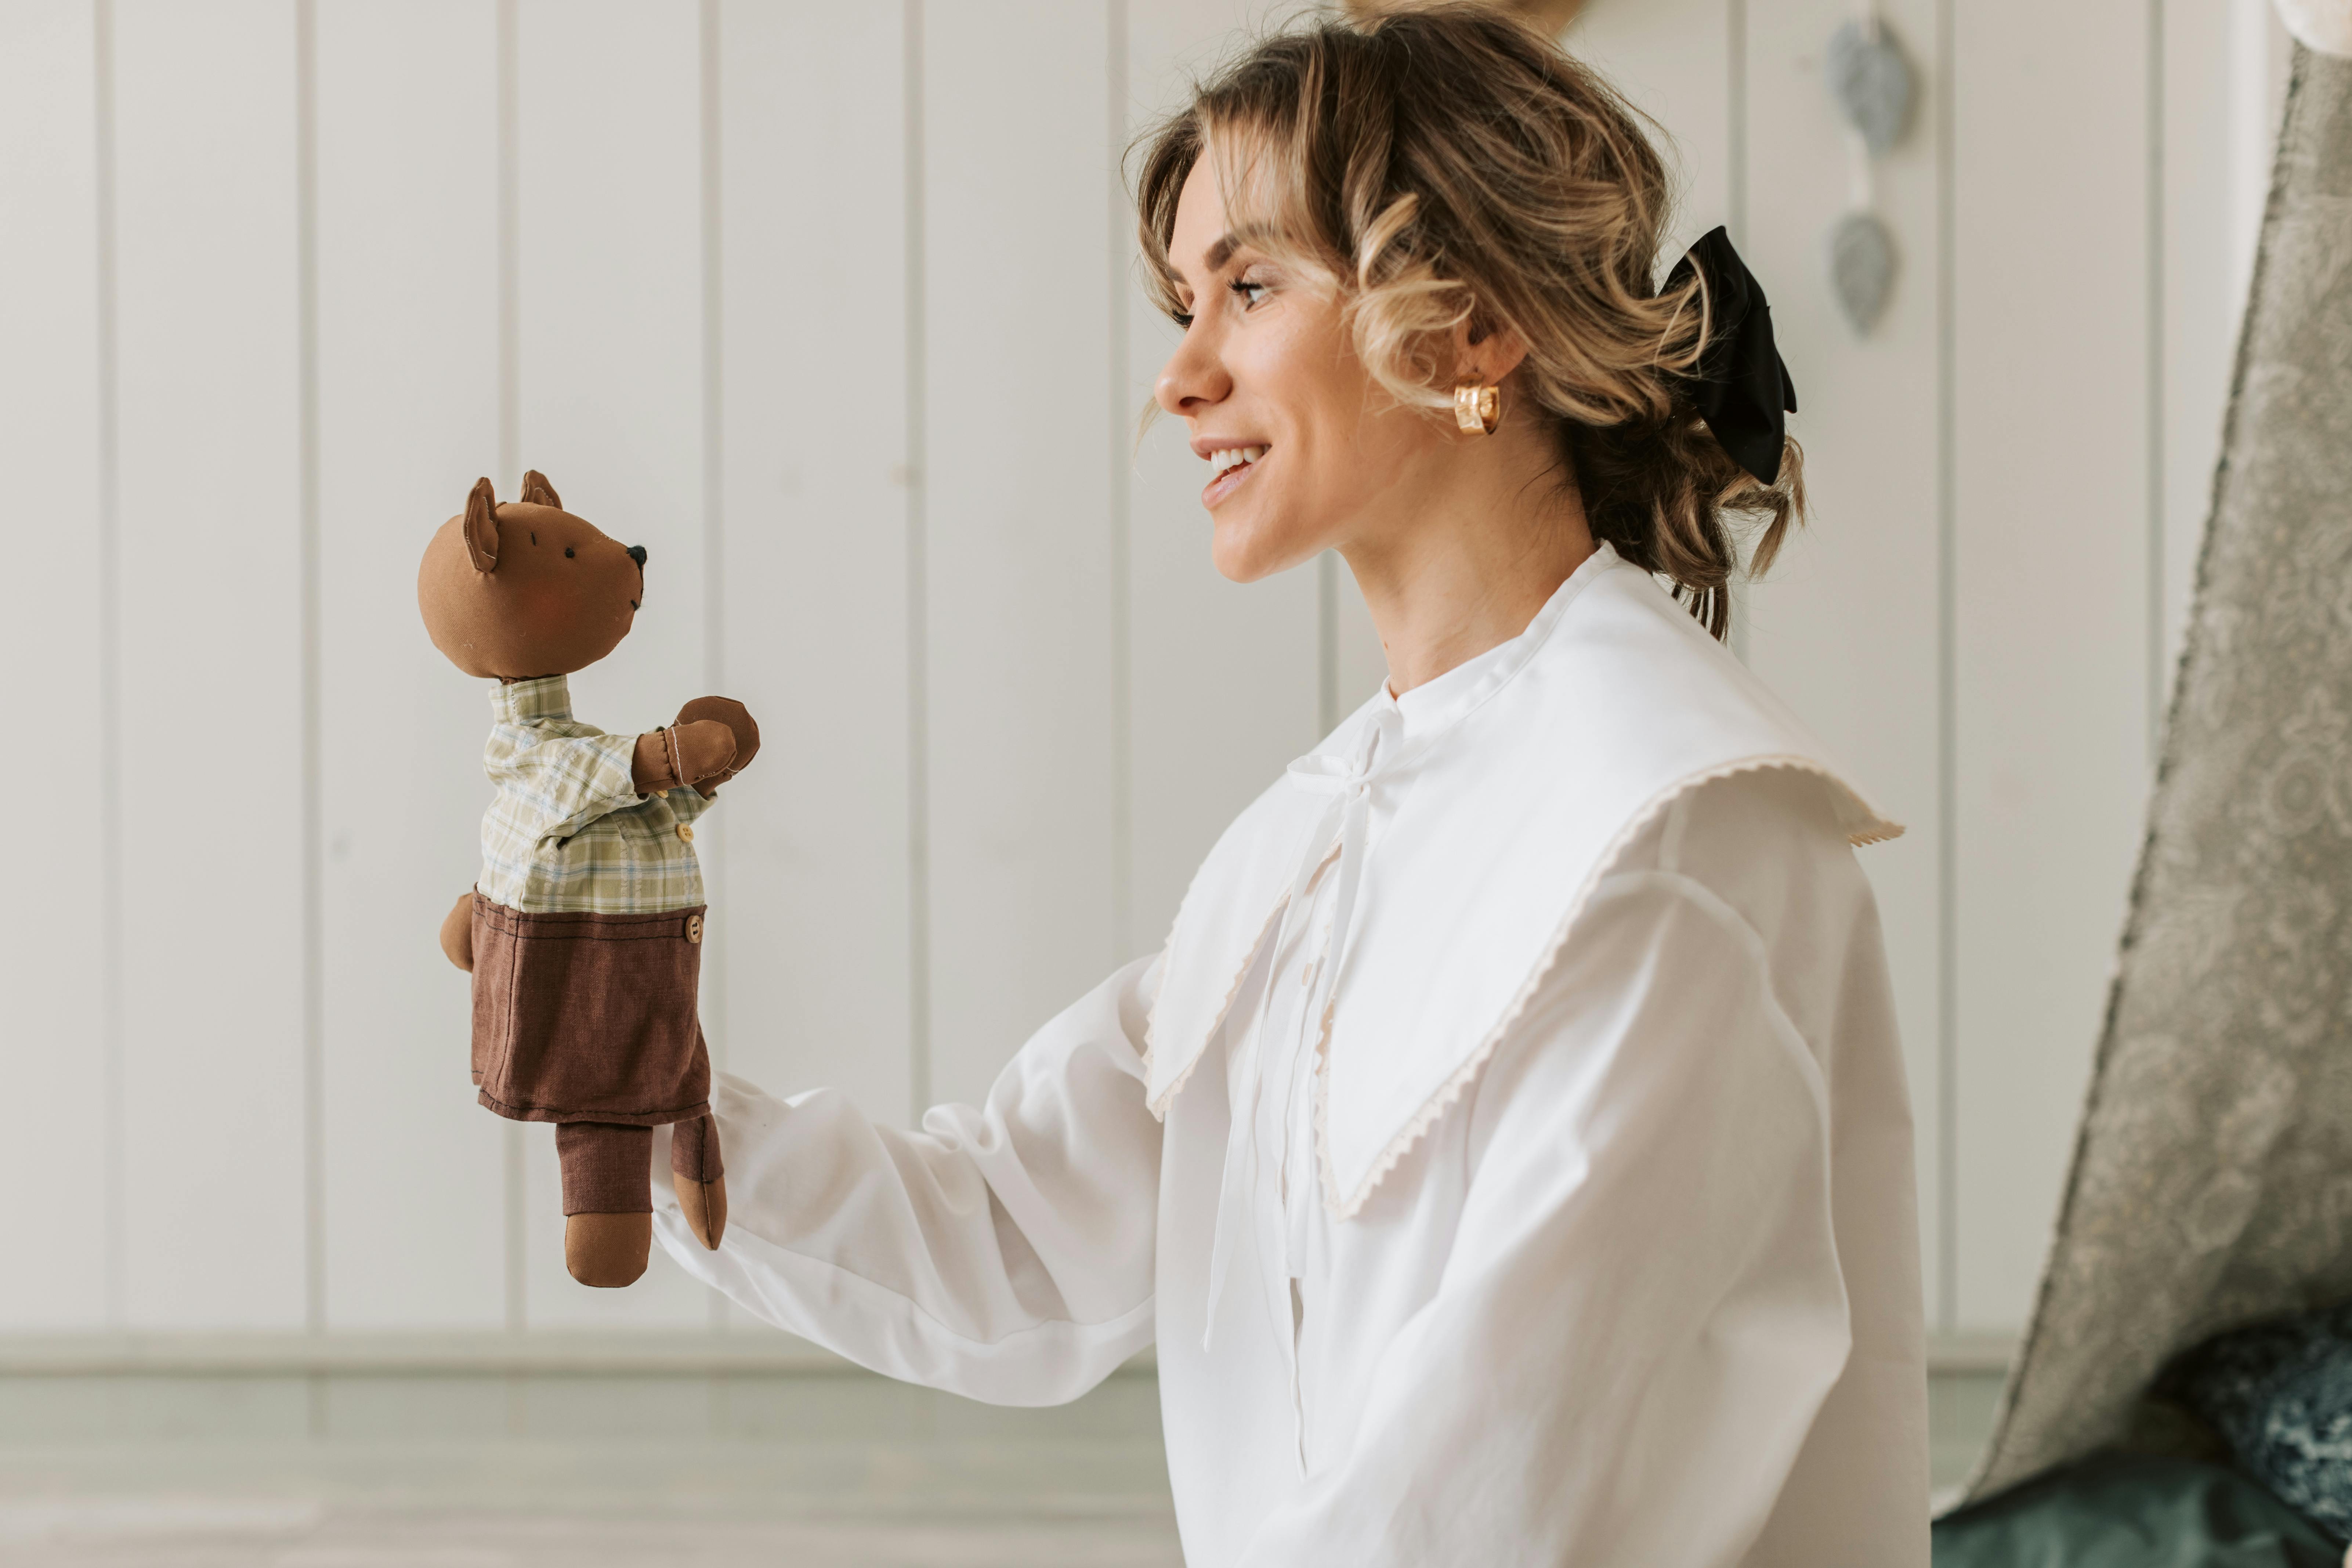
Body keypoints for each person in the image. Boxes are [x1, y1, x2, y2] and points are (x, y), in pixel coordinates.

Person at [649, 7, 1928, 1563]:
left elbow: (1486, 1501)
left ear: (1473, 327)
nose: (1183, 377)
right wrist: (639, 1090)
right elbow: (1015, 1247)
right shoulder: (1317, 843)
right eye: (1186, 300)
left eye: (1249, 286)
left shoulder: (1667, 840)